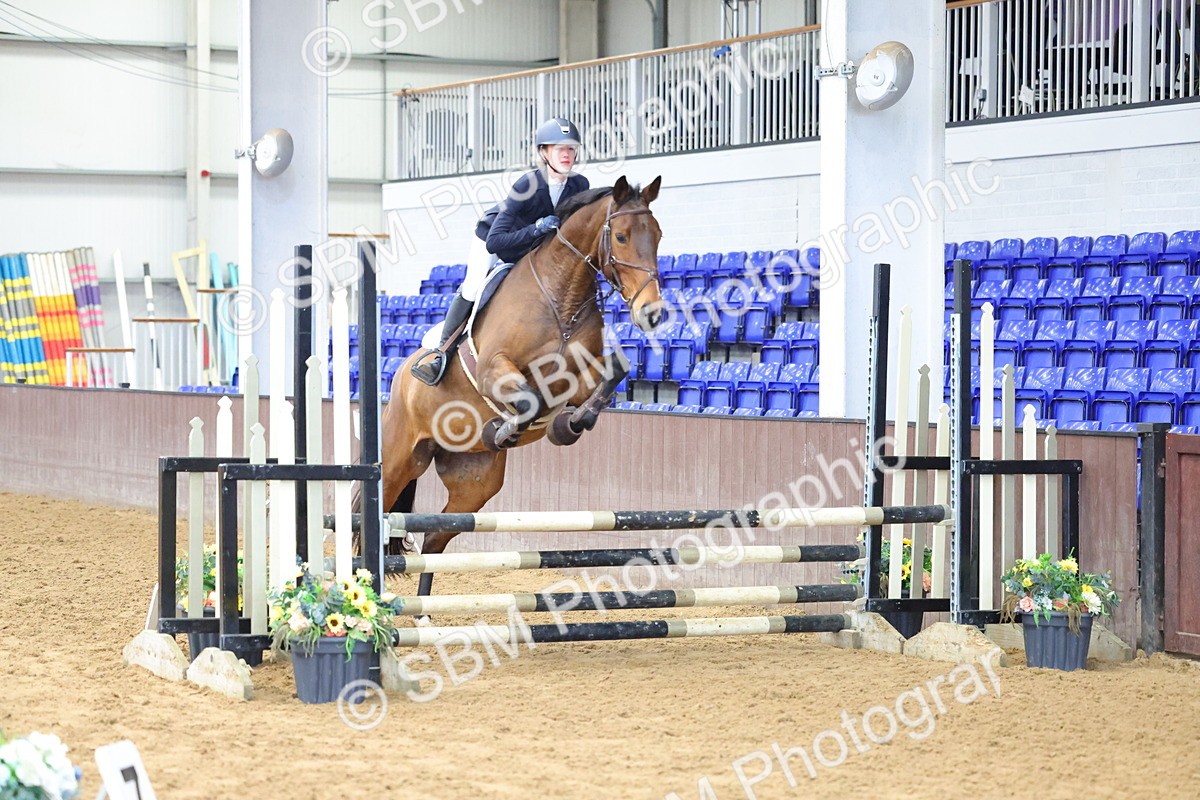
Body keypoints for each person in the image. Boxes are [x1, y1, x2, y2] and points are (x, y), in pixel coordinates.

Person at [410, 117, 591, 386]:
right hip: (495, 240)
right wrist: (537, 228)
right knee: (473, 287)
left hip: (532, 250)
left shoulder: (580, 185)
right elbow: (496, 241)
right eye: (558, 149)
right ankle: (440, 353)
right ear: (544, 153)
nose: (566, 155)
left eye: (571, 149)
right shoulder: (526, 186)